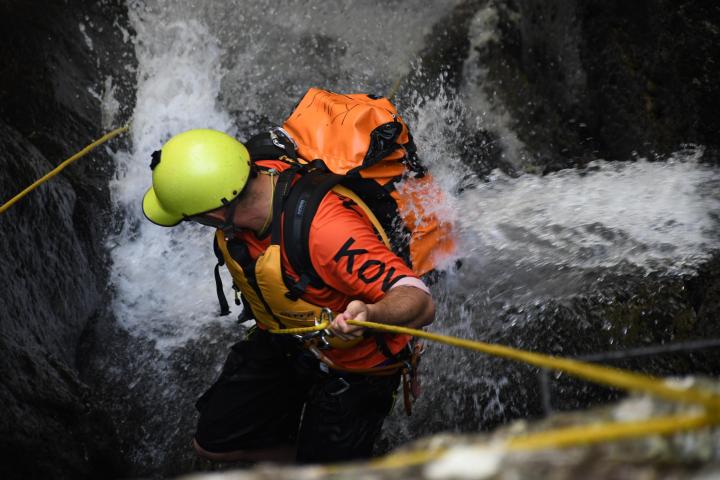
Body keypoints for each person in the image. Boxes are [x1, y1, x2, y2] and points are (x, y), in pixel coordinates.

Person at [142, 128, 435, 464]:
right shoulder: (250, 172)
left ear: (215, 216)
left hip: (358, 368)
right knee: (212, 442)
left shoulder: (326, 232)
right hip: (288, 340)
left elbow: (419, 300)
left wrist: (371, 314)